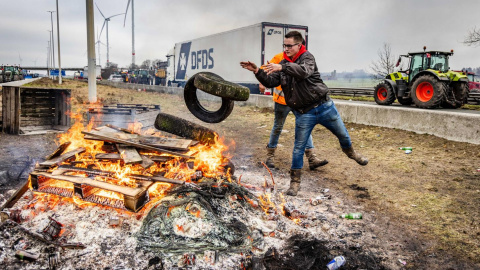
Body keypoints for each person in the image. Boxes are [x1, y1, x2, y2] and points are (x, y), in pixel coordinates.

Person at [241, 31, 368, 196]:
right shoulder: (283, 63)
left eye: (289, 45)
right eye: (284, 46)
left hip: (324, 107)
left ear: (299, 45)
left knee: (343, 136)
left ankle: (352, 154)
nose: (286, 48)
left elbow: (303, 72)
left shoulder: (307, 58)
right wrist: (257, 71)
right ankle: (295, 183)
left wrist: (282, 66)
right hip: (304, 113)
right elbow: (271, 81)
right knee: (298, 149)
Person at [260, 52, 328, 170]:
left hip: (299, 102)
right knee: (278, 127)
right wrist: (262, 82)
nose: (288, 48)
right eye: (287, 46)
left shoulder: (303, 58)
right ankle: (270, 156)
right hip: (282, 100)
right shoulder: (279, 58)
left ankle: (312, 158)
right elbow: (264, 70)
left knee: (305, 127)